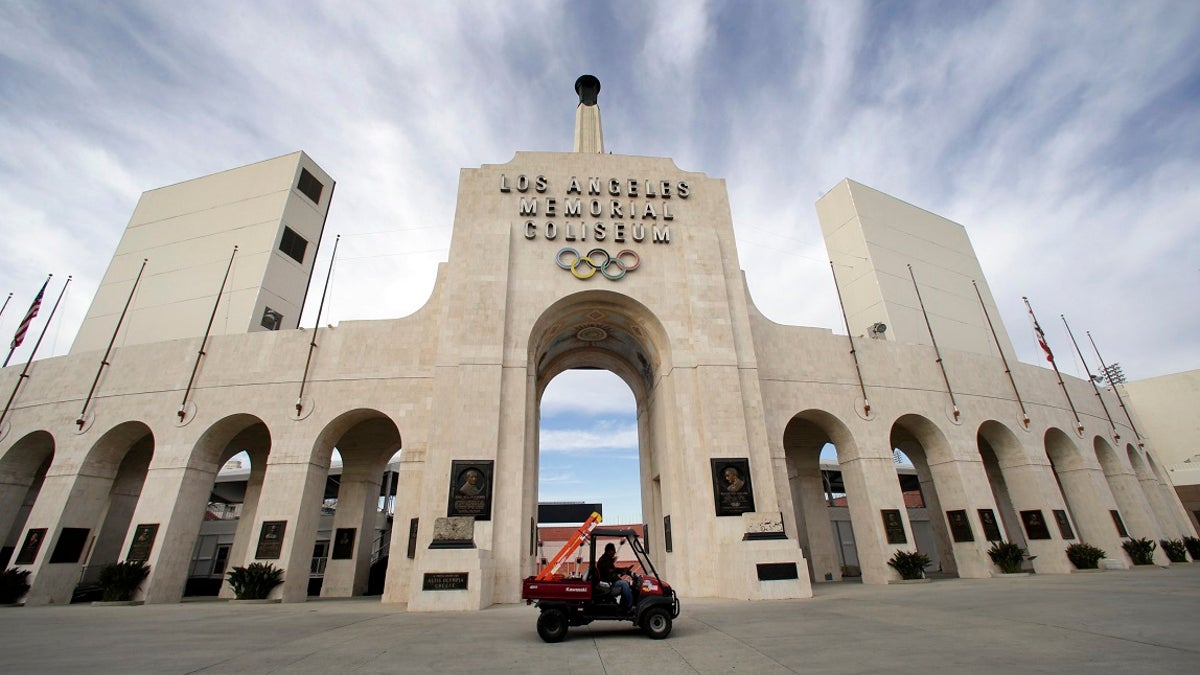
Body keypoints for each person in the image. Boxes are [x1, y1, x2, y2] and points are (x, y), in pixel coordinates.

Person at [596, 542, 633, 612]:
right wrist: (621, 570)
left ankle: (623, 604)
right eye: (613, 551)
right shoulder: (604, 560)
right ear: (609, 551)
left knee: (626, 583)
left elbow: (613, 570)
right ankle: (629, 606)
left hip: (611, 580)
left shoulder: (607, 559)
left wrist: (622, 570)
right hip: (608, 582)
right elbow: (610, 571)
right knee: (624, 584)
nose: (615, 552)